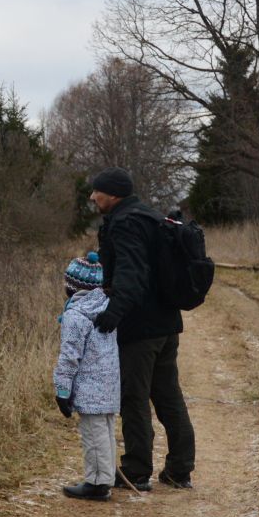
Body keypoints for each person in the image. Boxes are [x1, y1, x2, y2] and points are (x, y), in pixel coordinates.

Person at [88, 167, 195, 491]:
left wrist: (113, 315)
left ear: (114, 194)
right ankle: (179, 470)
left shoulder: (125, 223)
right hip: (165, 324)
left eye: (98, 191)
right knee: (168, 397)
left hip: (141, 327)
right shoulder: (149, 216)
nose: (93, 197)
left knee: (134, 398)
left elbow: (130, 276)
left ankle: (136, 471)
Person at [55, 251, 119, 501]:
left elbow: (69, 357)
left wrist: (62, 389)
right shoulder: (107, 308)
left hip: (90, 385)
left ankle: (97, 482)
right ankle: (106, 476)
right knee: (106, 430)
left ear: (71, 287)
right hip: (109, 384)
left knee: (93, 434)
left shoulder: (75, 316)